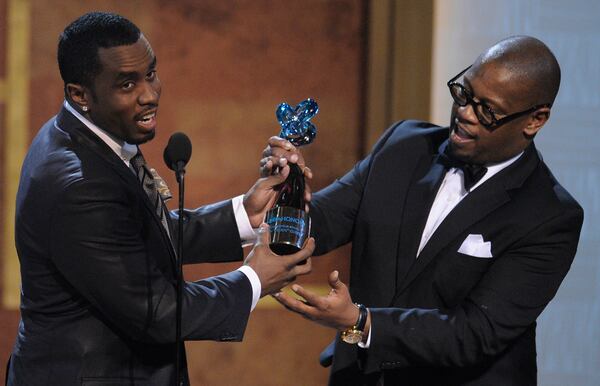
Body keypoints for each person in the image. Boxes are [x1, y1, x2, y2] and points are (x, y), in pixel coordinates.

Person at [6, 12, 314, 386]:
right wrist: (253, 280)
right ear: (79, 94)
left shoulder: (87, 132)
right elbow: (157, 313)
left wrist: (244, 214)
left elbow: (132, 236)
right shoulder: (79, 183)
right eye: (127, 84)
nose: (149, 95)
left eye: (150, 74)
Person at [268, 36, 584, 385]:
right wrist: (289, 191)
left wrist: (363, 322)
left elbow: (475, 333)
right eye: (464, 94)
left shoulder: (550, 216)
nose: (464, 113)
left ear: (535, 120)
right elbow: (322, 222)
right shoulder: (405, 146)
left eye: (487, 110)